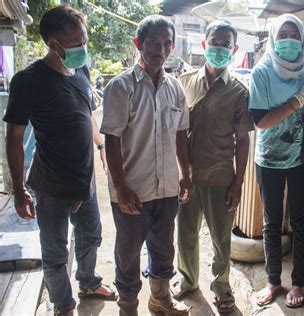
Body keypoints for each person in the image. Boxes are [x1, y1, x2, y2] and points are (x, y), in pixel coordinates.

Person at [3, 5, 115, 316]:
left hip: (85, 179)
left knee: (91, 235)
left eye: (85, 39)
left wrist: (102, 145)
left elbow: (87, 115)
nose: (83, 47)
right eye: (77, 42)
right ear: (54, 44)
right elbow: (13, 137)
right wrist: (17, 188)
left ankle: (89, 282)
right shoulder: (29, 81)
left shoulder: (80, 70)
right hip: (51, 185)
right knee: (54, 252)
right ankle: (63, 304)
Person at [100, 15, 191, 315]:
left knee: (163, 248)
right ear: (138, 43)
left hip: (166, 188)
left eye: (166, 43)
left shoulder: (176, 88)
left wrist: (185, 175)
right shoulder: (120, 87)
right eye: (153, 42)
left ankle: (160, 299)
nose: (160, 49)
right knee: (127, 253)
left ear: (173, 47)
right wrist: (121, 186)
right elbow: (112, 139)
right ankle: (128, 306)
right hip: (133, 190)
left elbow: (180, 135)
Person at [172, 21, 254, 313]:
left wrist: (238, 183)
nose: (219, 48)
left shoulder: (239, 91)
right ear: (204, 45)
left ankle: (221, 287)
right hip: (187, 177)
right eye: (214, 43)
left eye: (225, 44)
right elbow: (177, 130)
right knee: (186, 234)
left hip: (221, 177)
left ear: (233, 49)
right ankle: (187, 280)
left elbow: (242, 141)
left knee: (221, 240)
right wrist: (182, 174)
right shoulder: (183, 82)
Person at [249, 13, 304, 308]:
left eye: (295, 35)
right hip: (268, 158)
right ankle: (272, 281)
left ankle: (299, 283)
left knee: (300, 221)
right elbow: (262, 122)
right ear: (273, 39)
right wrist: (297, 100)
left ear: (302, 39)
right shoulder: (262, 72)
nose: (289, 41)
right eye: (283, 35)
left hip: (300, 158)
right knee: (271, 222)